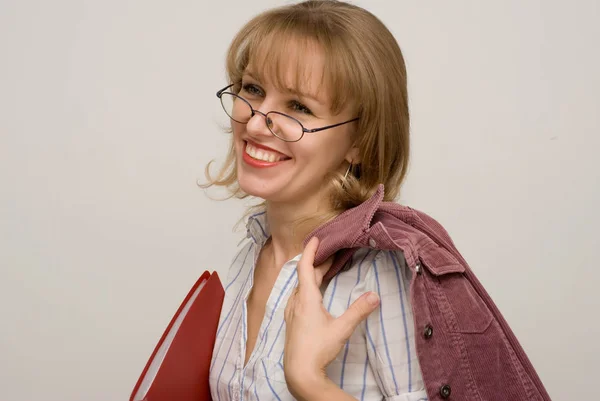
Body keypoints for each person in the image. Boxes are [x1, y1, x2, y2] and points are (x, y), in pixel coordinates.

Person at [204, 1, 552, 401]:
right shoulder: (246, 257)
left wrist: (308, 381)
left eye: (298, 107)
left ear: (358, 143)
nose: (254, 121)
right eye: (253, 89)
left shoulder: (379, 277)